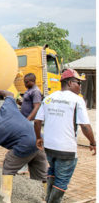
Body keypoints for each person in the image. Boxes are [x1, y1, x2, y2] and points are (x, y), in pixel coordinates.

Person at [35, 69, 96, 203]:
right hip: (66, 149)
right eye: (78, 83)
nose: (80, 86)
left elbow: (37, 121)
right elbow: (85, 126)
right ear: (69, 83)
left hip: (49, 147)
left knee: (52, 172)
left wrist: (38, 137)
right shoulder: (77, 100)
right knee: (62, 181)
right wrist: (93, 142)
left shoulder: (49, 98)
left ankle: (48, 199)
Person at [0, 88, 48, 203]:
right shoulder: (7, 107)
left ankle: (5, 198)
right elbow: (9, 94)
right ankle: (48, 197)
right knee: (42, 173)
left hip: (25, 145)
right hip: (39, 140)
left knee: (8, 164)